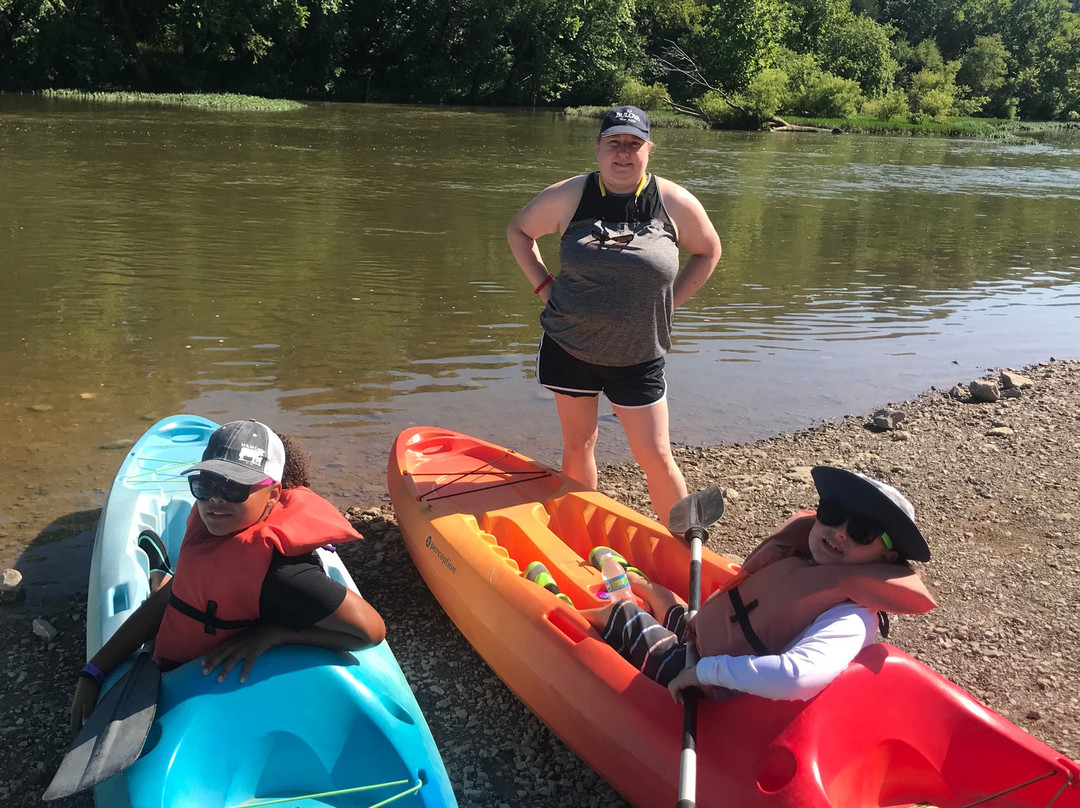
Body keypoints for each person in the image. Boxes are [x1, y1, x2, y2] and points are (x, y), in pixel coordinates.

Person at [69, 420, 386, 733]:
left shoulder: (282, 574)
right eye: (205, 485)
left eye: (234, 487)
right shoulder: (213, 521)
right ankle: (161, 573)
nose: (215, 499)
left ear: (273, 494)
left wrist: (273, 636)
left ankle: (160, 571)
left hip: (205, 670)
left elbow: (370, 632)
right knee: (173, 589)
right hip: (192, 612)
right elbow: (175, 598)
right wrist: (94, 670)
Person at [506, 105, 722, 526]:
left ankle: (685, 542)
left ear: (648, 150)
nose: (623, 154)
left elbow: (709, 251)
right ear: (598, 148)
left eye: (633, 144)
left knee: (657, 455)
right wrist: (543, 286)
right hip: (570, 346)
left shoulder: (672, 201)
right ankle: (581, 528)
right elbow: (519, 230)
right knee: (579, 444)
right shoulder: (572, 195)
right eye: (614, 144)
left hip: (639, 354)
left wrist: (669, 303)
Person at [576, 466, 937, 702]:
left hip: (713, 688)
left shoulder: (852, 618)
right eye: (831, 514)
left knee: (624, 616)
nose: (839, 532)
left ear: (887, 558)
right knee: (680, 611)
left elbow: (797, 678)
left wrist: (704, 672)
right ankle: (644, 586)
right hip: (709, 642)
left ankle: (566, 604)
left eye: (862, 532)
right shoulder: (809, 563)